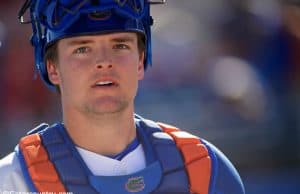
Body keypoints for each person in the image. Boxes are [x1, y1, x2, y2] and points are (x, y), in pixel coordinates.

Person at [0, 0, 245, 194]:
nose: (104, 62)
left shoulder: (205, 170)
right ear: (52, 68)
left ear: (140, 61)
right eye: (82, 49)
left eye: (120, 46)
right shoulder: (13, 181)